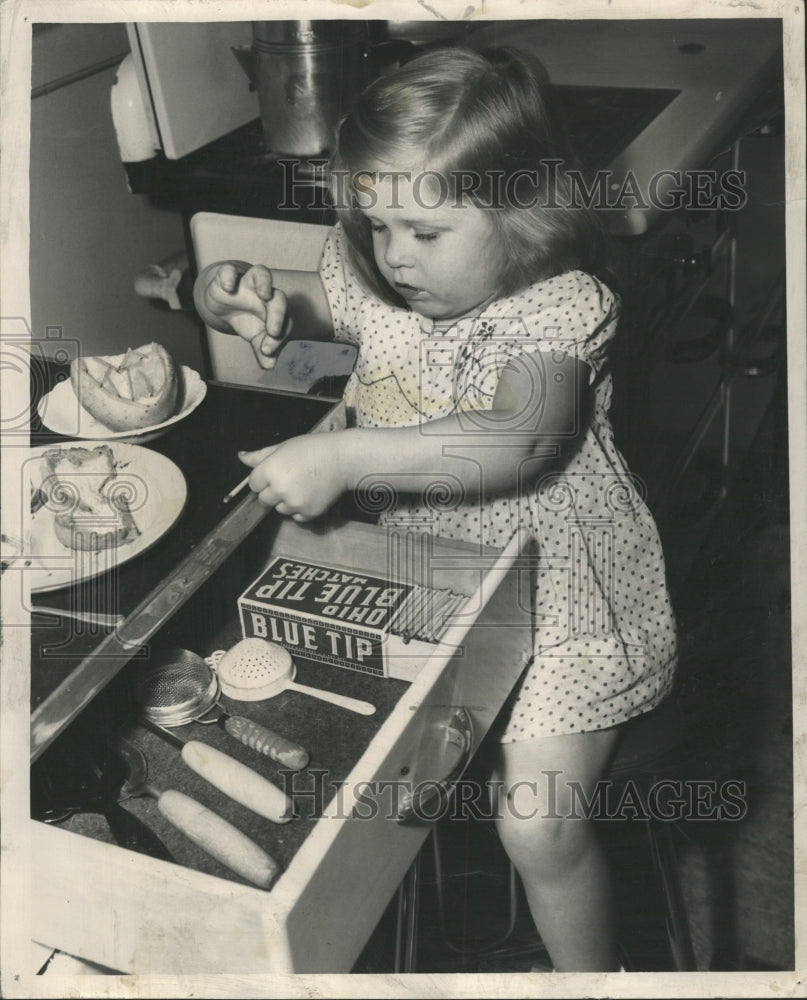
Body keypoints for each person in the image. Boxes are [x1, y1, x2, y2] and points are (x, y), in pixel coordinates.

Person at [194, 45, 677, 972]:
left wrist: (345, 452)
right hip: (426, 569)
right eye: (375, 226)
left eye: (424, 231)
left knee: (536, 831)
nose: (394, 257)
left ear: (522, 211)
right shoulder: (386, 272)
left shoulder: (560, 311)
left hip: (564, 599)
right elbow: (342, 313)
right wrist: (256, 300)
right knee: (363, 785)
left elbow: (515, 440)